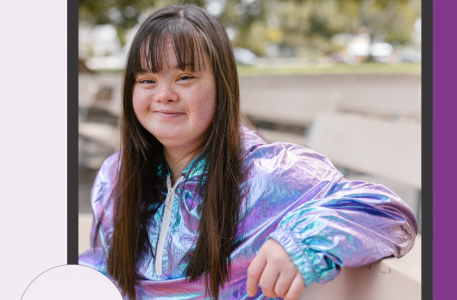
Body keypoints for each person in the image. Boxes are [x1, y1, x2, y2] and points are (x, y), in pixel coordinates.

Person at [79, 4, 418, 300]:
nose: (163, 94)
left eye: (184, 77)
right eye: (147, 80)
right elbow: (105, 265)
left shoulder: (271, 174)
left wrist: (300, 243)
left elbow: (389, 213)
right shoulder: (116, 175)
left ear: (222, 86)